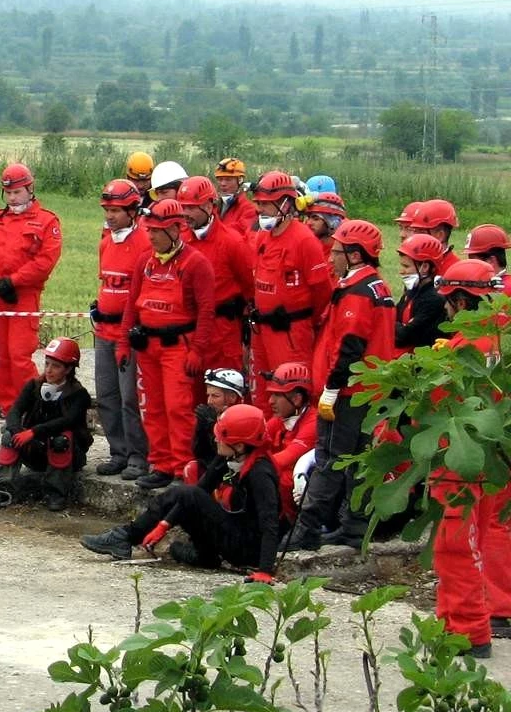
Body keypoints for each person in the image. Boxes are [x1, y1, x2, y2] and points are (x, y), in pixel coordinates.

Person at [281, 220, 396, 552]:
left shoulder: (358, 293)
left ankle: (307, 528)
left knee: (330, 458)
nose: (330, 259)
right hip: (368, 391)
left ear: (355, 255)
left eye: (337, 252)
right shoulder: (377, 288)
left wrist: (332, 386)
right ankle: (354, 525)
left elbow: (350, 345)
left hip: (348, 393)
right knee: (359, 460)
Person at [80, 404, 281, 584]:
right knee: (187, 497)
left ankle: (125, 536)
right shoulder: (227, 458)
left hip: (248, 548)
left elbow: (269, 522)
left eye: (221, 436)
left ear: (239, 445)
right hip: (234, 532)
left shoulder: (260, 473)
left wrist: (264, 570)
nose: (216, 439)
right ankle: (203, 556)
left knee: (186, 493)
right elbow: (199, 493)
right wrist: (164, 524)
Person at [429, 259, 511, 657]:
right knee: (473, 539)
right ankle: (455, 621)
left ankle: (469, 629)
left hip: (460, 461)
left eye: (449, 300)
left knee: (457, 545)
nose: (445, 308)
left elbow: (437, 405)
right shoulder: (492, 340)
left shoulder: (468, 350)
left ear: (461, 300)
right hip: (485, 455)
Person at [117, 199, 215, 490]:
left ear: (175, 229)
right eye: (149, 231)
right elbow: (131, 306)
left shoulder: (196, 263)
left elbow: (207, 312)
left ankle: (182, 468)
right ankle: (160, 464)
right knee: (153, 409)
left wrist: (197, 350)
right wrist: (123, 344)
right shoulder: (145, 261)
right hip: (147, 346)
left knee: (178, 408)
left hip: (177, 347)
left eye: (157, 231)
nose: (151, 236)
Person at [0, 163, 63, 415]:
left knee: (19, 354)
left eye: (17, 192)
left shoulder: (46, 221)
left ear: (30, 189)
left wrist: (14, 281)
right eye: (8, 193)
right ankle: (7, 406)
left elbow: (45, 261)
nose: (13, 197)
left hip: (24, 296)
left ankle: (30, 405)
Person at [248, 170, 333, 415]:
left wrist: (305, 321)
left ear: (285, 203)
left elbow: (322, 291)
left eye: (266, 204)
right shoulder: (264, 237)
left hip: (291, 332)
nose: (260, 209)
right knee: (263, 394)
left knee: (292, 394)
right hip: (262, 329)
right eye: (259, 203)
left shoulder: (304, 240)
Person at [0, 337, 92, 513]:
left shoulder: (79, 395)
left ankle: (56, 493)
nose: (49, 371)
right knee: (9, 436)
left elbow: (68, 421)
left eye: (56, 366)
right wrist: (18, 431)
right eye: (47, 364)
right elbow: (15, 411)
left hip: (70, 455)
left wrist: (34, 432)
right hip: (36, 449)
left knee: (61, 439)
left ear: (68, 369)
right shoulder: (34, 386)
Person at [91, 179, 151, 480]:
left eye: (115, 210)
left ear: (132, 210)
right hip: (104, 331)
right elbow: (107, 282)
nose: (110, 216)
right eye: (107, 210)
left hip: (129, 334)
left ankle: (139, 456)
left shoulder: (145, 244)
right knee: (107, 395)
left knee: (131, 398)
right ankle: (118, 452)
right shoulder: (106, 242)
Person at [178, 176, 254, 377]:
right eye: (183, 207)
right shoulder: (180, 241)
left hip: (223, 333)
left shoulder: (232, 243)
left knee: (223, 397)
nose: (186, 214)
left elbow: (250, 287)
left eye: (191, 208)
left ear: (209, 205)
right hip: (188, 331)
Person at [263, 362, 318, 525]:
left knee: (280, 479)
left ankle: (297, 526)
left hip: (310, 484)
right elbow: (256, 440)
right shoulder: (281, 419)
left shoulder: (313, 422)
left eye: (277, 395)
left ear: (297, 399)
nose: (270, 401)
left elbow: (285, 459)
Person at [187, 368, 246, 483]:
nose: (209, 401)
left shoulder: (243, 418)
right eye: (208, 395)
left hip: (236, 474)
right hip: (215, 470)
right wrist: (201, 428)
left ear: (232, 397)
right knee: (192, 468)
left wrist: (212, 425)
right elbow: (199, 454)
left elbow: (226, 456)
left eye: (215, 396)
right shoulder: (214, 414)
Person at [393, 234, 448, 355]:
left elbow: (403, 336)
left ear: (425, 267)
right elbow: (391, 319)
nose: (401, 271)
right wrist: (400, 325)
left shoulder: (434, 299)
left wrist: (399, 326)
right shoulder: (412, 291)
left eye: (406, 266)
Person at [406, 198, 461, 273]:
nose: (414, 236)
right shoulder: (415, 263)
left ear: (440, 236)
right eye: (414, 230)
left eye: (421, 232)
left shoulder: (454, 271)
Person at [214, 157, 258, 237]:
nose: (223, 184)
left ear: (240, 181)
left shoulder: (249, 210)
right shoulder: (214, 206)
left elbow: (238, 234)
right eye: (220, 179)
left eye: (228, 180)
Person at [299, 191, 346, 264]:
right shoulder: (310, 247)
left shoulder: (342, 255)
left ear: (332, 222)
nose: (308, 223)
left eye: (316, 219)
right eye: (308, 217)